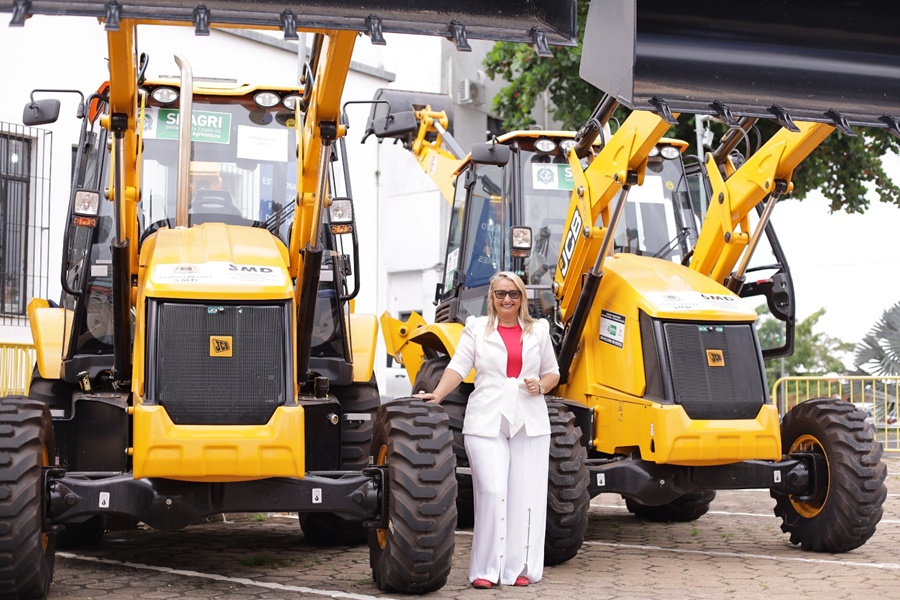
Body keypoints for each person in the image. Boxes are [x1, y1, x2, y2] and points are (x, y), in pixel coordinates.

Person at [413, 271, 560, 589]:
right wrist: (437, 395)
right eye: (501, 294)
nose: (507, 299)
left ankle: (519, 568)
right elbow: (458, 366)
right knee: (492, 492)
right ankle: (486, 569)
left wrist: (541, 386)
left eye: (514, 294)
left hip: (529, 421)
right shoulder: (476, 328)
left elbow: (553, 372)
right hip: (486, 419)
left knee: (525, 496)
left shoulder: (539, 330)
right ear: (492, 297)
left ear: (522, 298)